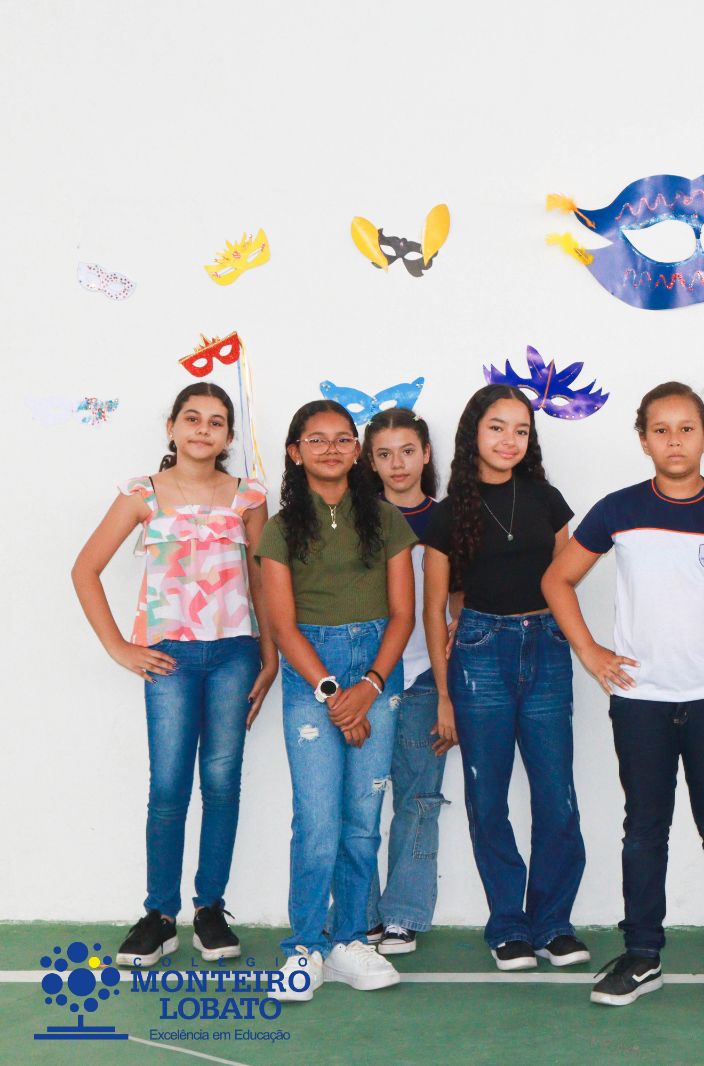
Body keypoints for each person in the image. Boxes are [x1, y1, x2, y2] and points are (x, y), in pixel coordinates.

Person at [543, 381, 704, 1008]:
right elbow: (558, 579)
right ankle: (642, 954)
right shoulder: (618, 510)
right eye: (661, 430)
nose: (675, 441)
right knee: (644, 828)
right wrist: (591, 652)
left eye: (686, 428)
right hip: (640, 700)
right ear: (643, 440)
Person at [71, 383, 275, 967]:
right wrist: (119, 647)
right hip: (168, 659)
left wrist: (270, 656)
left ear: (228, 435)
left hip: (234, 654)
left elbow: (262, 579)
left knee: (222, 782)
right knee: (167, 787)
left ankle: (210, 909)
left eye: (216, 421)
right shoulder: (142, 493)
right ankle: (159, 915)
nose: (203, 429)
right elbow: (85, 569)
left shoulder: (248, 496)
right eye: (192, 418)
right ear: (172, 427)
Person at [420, 385, 588, 972]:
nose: (509, 440)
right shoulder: (448, 514)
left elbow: (566, 578)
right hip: (478, 654)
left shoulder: (546, 499)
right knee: (487, 798)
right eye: (497, 427)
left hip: (547, 648)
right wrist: (444, 694)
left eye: (521, 430)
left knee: (557, 796)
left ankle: (553, 923)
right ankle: (508, 925)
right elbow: (434, 609)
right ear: (474, 433)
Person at [257, 400, 416, 1001]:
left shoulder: (386, 519)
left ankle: (350, 940)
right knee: (317, 820)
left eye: (342, 439)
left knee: (362, 820)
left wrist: (369, 687)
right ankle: (305, 946)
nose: (330, 449)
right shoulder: (280, 528)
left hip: (377, 671)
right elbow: (282, 625)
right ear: (295, 452)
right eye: (315, 440)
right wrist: (333, 695)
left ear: (357, 450)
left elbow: (403, 615)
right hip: (310, 676)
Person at [360, 408, 451, 956]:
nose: (398, 464)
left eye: (408, 451)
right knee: (360, 800)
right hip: (367, 678)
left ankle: (403, 914)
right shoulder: (356, 520)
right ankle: (360, 912)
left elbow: (459, 598)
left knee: (419, 799)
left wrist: (447, 684)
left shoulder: (446, 519)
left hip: (424, 678)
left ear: (426, 454)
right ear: (370, 461)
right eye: (384, 454)